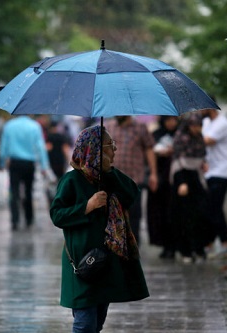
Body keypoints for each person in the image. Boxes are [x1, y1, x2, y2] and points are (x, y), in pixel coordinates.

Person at [50, 125, 149, 333]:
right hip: (82, 260)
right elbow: (57, 215)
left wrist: (109, 172)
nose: (115, 150)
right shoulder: (71, 180)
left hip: (105, 261)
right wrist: (87, 206)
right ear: (94, 149)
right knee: (85, 323)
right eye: (109, 146)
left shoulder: (108, 178)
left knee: (97, 322)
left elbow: (131, 193)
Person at [105, 116, 158, 245]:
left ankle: (133, 247)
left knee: (134, 216)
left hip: (134, 180)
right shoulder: (108, 127)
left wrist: (153, 173)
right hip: (112, 179)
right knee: (112, 215)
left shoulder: (140, 128)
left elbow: (149, 149)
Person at [170, 114, 211, 263]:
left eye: (199, 126)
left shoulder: (199, 138)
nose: (197, 129)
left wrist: (203, 164)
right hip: (183, 179)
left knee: (201, 214)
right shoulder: (180, 137)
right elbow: (177, 161)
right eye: (194, 126)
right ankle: (186, 250)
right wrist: (181, 182)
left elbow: (201, 157)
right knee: (184, 217)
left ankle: (199, 248)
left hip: (196, 179)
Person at [0, 115, 50, 230]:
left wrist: (2, 163)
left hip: (14, 163)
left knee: (14, 191)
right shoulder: (35, 126)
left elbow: (3, 147)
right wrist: (44, 166)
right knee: (28, 192)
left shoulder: (9, 126)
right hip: (29, 163)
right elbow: (40, 147)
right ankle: (29, 219)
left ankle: (15, 220)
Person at [201, 104, 227, 258]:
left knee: (214, 207)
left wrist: (190, 135)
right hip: (210, 172)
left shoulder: (223, 123)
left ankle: (223, 242)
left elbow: (208, 141)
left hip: (222, 171)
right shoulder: (206, 122)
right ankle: (211, 242)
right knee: (212, 208)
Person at [146, 116, 178, 258]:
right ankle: (164, 245)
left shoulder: (180, 135)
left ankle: (174, 245)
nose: (172, 123)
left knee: (173, 213)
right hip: (159, 180)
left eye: (174, 120)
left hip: (175, 180)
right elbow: (148, 153)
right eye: (169, 120)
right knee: (159, 213)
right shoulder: (155, 135)